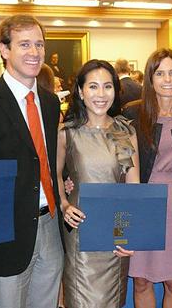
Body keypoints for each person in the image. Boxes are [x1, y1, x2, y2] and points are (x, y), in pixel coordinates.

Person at [0, 14, 64, 308]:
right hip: (5, 236)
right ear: (4, 50)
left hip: (50, 225)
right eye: (25, 44)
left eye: (39, 44)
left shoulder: (51, 102)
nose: (35, 52)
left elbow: (45, 158)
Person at [57, 59, 139, 308]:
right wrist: (63, 203)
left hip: (115, 234)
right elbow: (54, 176)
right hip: (81, 234)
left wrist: (131, 235)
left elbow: (133, 185)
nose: (101, 94)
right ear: (81, 92)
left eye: (107, 86)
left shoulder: (125, 131)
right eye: (93, 87)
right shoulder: (66, 133)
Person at [123, 48, 172, 308]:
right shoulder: (132, 114)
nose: (167, 79)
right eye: (160, 73)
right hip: (142, 201)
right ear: (150, 79)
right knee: (142, 279)